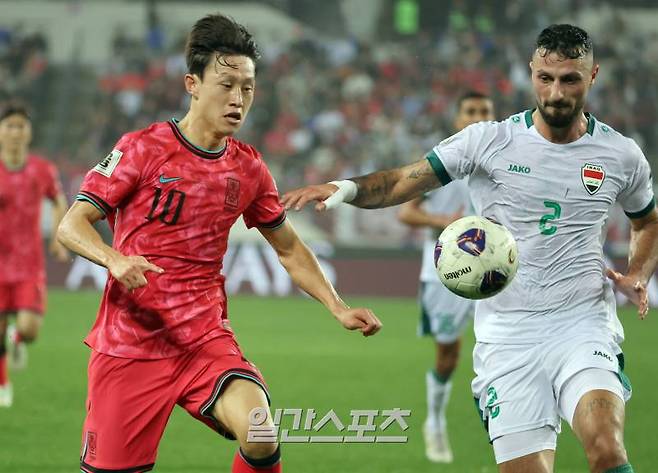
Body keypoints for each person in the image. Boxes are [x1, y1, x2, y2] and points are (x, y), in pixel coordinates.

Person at [282, 24, 657, 473]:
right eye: (546, 78)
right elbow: (403, 181)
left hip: (583, 324)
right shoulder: (488, 141)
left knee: (607, 450)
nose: (556, 93)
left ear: (592, 76)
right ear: (532, 73)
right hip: (507, 336)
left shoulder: (621, 154)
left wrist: (638, 271)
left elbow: (648, 219)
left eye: (570, 80)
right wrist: (342, 188)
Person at [57, 14, 382, 473]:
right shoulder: (141, 149)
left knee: (261, 431)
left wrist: (337, 306)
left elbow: (289, 248)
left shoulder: (248, 169)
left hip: (203, 340)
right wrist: (113, 258)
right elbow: (71, 225)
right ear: (192, 83)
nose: (238, 99)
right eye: (226, 85)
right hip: (130, 344)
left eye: (247, 88)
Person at [397, 91, 495, 463]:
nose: (476, 116)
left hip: (495, 272)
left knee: (502, 347)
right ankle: (434, 421)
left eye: (484, 110)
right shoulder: (440, 164)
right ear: (457, 120)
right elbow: (406, 214)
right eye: (469, 110)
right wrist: (446, 223)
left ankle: (500, 418)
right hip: (444, 274)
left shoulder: (507, 163)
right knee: (448, 357)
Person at [0, 101, 69, 408]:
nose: (15, 132)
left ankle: (17, 340)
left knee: (29, 329)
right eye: (10, 126)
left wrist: (58, 237)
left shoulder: (41, 170)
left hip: (29, 264)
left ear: (29, 133)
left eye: (21, 126)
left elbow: (58, 201)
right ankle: (3, 385)